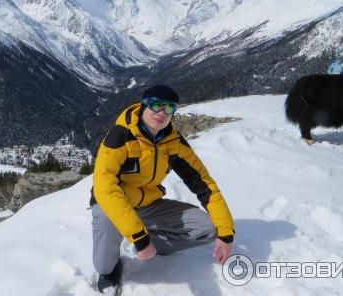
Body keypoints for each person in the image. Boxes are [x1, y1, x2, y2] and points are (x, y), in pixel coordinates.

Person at [90, 85, 235, 293]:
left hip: (149, 204)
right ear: (143, 106)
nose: (162, 113)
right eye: (156, 105)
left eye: (169, 108)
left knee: (208, 229)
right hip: (113, 204)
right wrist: (139, 237)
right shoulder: (120, 137)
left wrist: (226, 233)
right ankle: (110, 268)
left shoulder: (173, 143)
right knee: (104, 246)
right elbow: (104, 188)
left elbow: (204, 184)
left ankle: (151, 244)